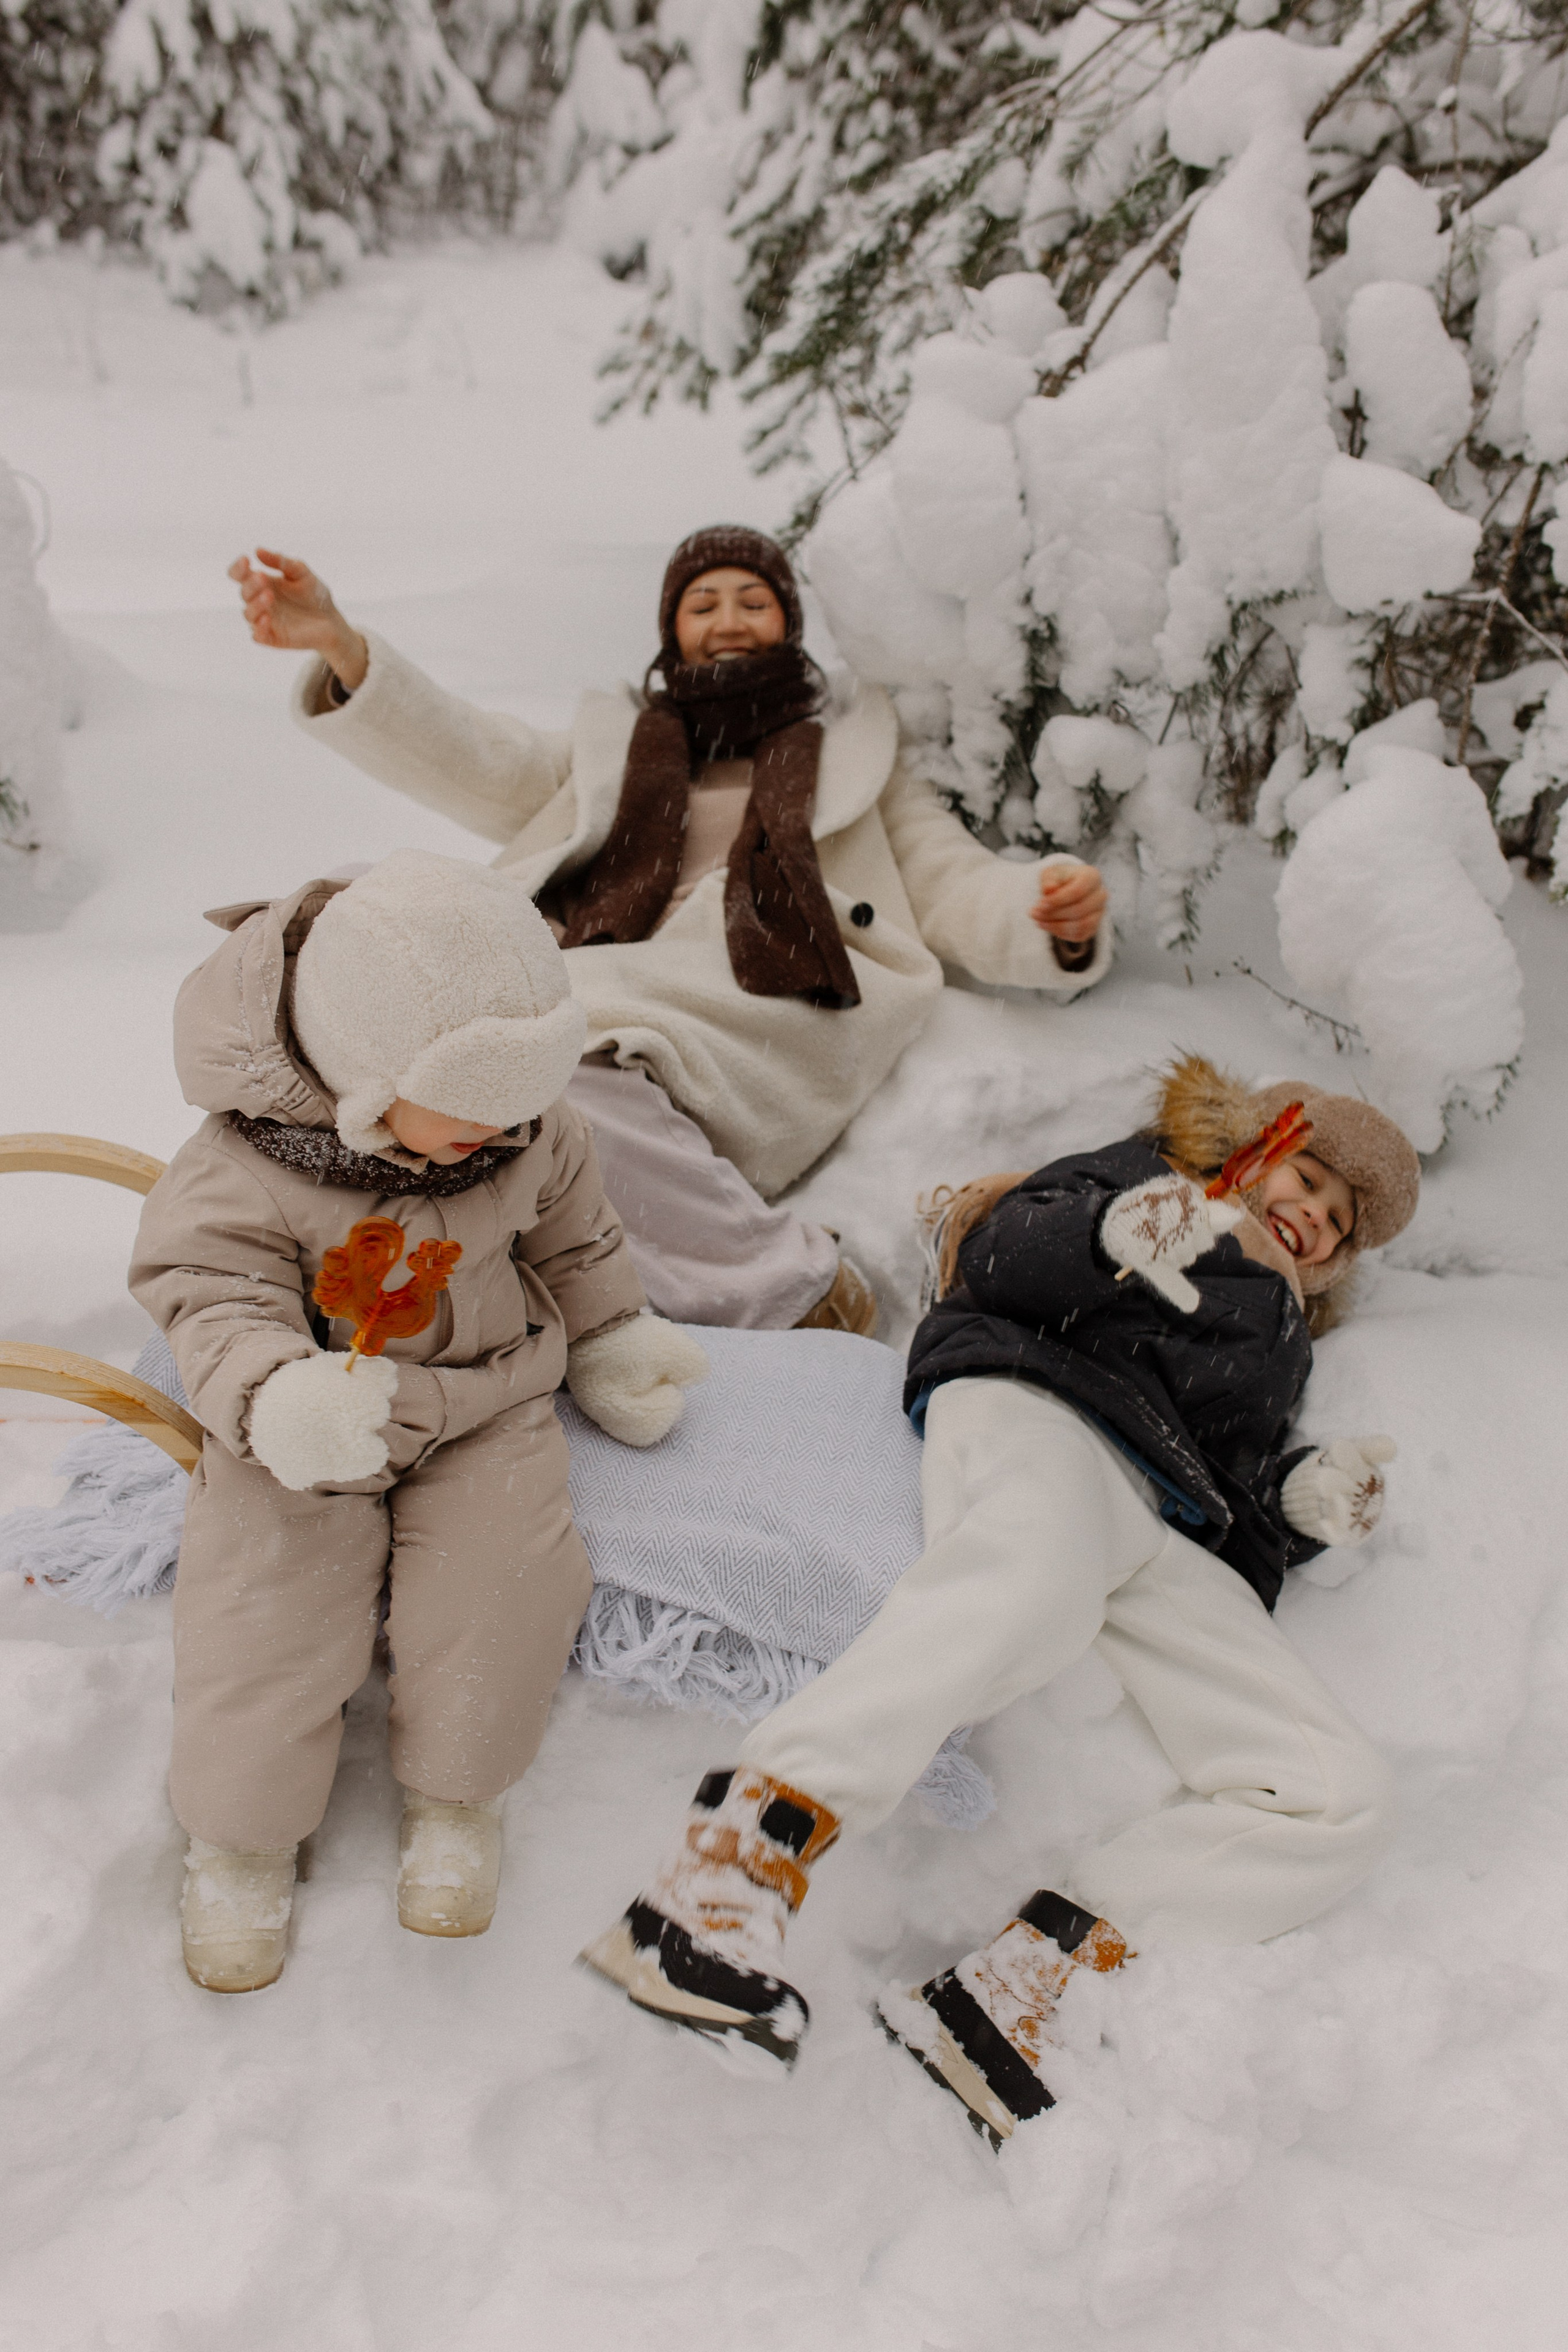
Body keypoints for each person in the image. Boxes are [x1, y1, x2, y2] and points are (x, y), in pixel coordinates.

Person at [578, 1055, 1421, 2146]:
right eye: (1309, 1180)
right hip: (1042, 1410)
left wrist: (1294, 1509)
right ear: (1258, 1151)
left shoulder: (1286, 1338)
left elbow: (1236, 1507)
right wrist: (1114, 1238)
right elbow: (1000, 1253)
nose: (1315, 1216)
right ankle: (720, 1882)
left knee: (1338, 1795)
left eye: (1342, 1223)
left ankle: (1009, 1998)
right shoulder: (1153, 1183)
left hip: (1159, 1525)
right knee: (1031, 1585)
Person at [228, 528, 1112, 1335]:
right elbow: (479, 755)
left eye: (753, 601)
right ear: (672, 629)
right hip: (610, 969)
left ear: (788, 622)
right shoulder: (615, 747)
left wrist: (1046, 913)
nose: (728, 620)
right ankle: (294, 1257)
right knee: (355, 957)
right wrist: (344, 648)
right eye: (703, 603)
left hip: (773, 977)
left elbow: (949, 879)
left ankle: (794, 1289)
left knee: (545, 1061)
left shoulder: (856, 757)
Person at [129, 850, 707, 1993]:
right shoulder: (243, 1169)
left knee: (505, 1585)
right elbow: (212, 1291)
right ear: (363, 1071)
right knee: (267, 1606)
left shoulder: (526, 1130)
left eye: (523, 1101)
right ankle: (239, 1846)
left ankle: (458, 1802)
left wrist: (608, 1334)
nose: (502, 1131)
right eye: (473, 1107)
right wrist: (275, 1394)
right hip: (311, 1420)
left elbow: (576, 1237)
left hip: (483, 1397)